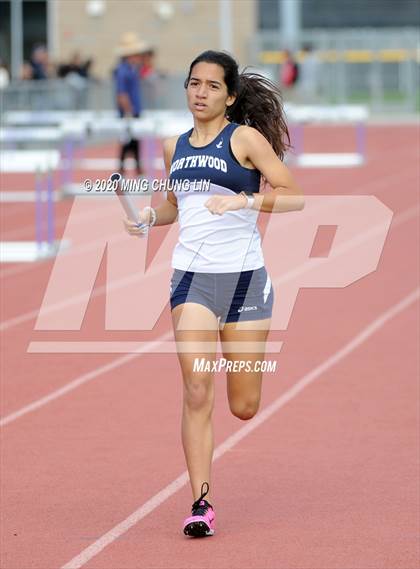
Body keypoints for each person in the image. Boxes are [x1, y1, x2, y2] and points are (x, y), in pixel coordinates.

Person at [124, 50, 304, 538]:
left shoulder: (243, 139)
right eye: (193, 83)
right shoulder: (172, 146)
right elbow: (173, 207)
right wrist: (146, 218)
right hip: (192, 281)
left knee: (243, 405)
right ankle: (201, 502)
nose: (200, 92)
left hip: (245, 281)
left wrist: (246, 199)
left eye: (211, 85)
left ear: (229, 95)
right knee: (196, 387)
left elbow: (294, 194)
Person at [113, 33, 149, 176]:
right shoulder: (122, 71)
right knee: (129, 141)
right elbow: (122, 94)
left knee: (133, 141)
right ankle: (131, 170)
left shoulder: (132, 69)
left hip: (133, 110)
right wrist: (128, 111)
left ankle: (131, 169)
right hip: (128, 112)